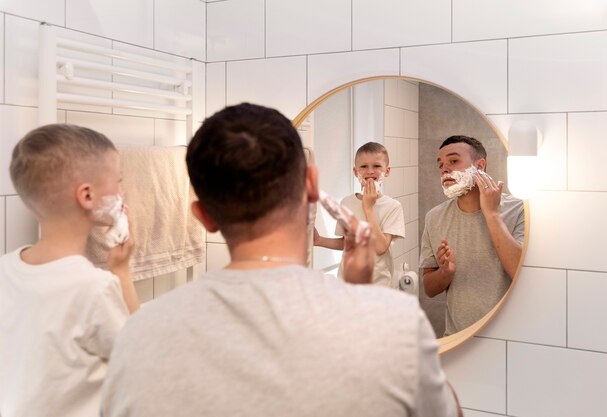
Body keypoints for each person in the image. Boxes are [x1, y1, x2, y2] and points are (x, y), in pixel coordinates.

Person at [101, 103, 462, 417]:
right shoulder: (394, 324)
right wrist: (360, 300)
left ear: (204, 216)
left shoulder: (140, 334)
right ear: (312, 185)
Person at [0, 124, 139, 417]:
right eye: (119, 181)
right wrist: (122, 272)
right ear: (87, 195)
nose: (123, 191)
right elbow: (139, 360)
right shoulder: (93, 287)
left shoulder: (5, 268)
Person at [420, 135, 524, 336]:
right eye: (440, 165)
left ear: (480, 165)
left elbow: (521, 274)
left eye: (453, 161)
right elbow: (429, 289)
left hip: (508, 338)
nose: (444, 169)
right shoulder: (434, 218)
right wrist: (445, 273)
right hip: (457, 338)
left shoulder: (518, 209)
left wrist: (492, 214)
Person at [314, 142, 405, 287]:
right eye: (363, 167)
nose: (370, 171)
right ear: (356, 172)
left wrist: (368, 208)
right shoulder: (346, 203)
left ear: (387, 171)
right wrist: (319, 241)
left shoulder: (393, 207)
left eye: (376, 166)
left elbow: (380, 248)